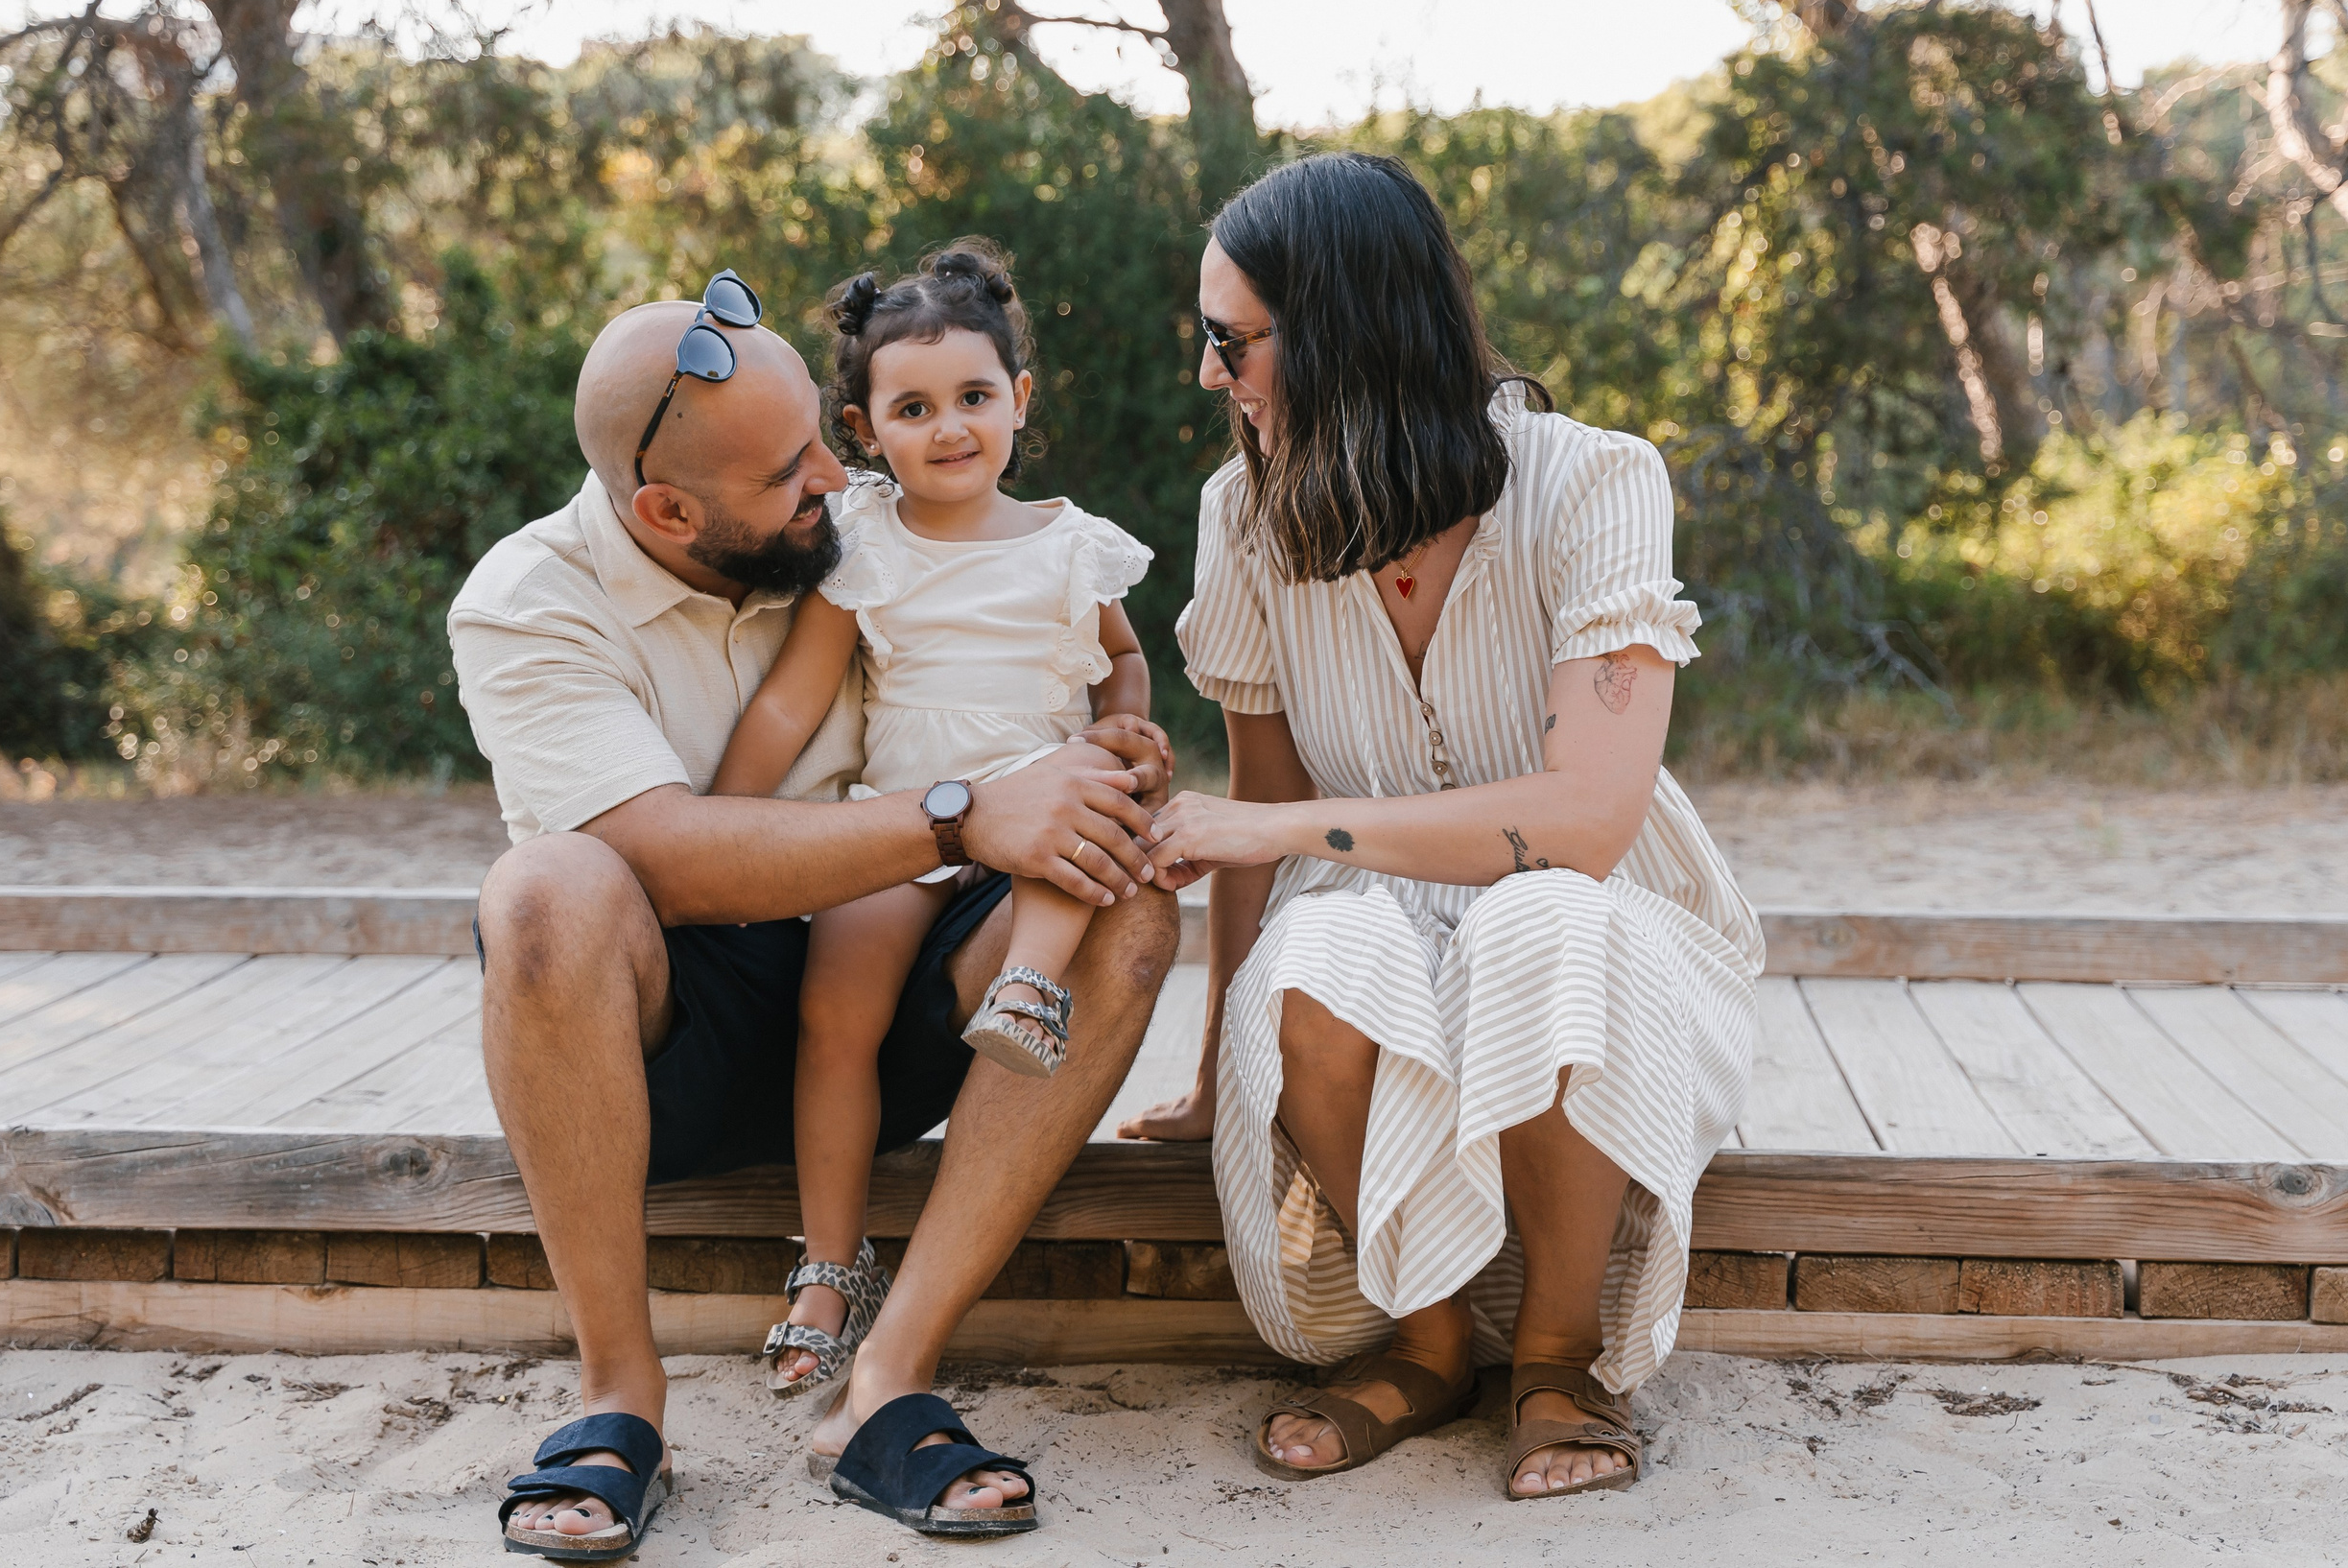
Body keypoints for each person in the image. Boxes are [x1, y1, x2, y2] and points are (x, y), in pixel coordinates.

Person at [449, 268, 1177, 1556]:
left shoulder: (861, 537)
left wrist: (1108, 754)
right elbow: (661, 858)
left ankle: (884, 1379)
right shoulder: (530, 600)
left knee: (1123, 900)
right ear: (670, 509)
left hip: (897, 991)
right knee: (543, 885)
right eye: (796, 471)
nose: (841, 483)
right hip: (680, 1032)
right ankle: (620, 1394)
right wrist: (964, 808)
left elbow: (1069, 661)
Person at [1127, 154, 1764, 1500]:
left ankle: (1555, 1354)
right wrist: (1205, 1067)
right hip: (1369, 930)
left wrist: (1285, 825)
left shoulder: (1595, 482)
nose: (1207, 371)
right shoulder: (1241, 518)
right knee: (1327, 950)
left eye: (1229, 338)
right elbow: (1260, 821)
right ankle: (1427, 1337)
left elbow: (1589, 820)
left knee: (1542, 921)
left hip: (1603, 934)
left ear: (1345, 327)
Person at [708, 242, 1165, 1404]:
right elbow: (796, 698)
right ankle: (826, 1265)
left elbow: (1121, 662)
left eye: (972, 397)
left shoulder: (1071, 540)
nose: (948, 427)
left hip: (1043, 799)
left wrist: (1123, 729)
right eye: (912, 408)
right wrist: (718, 822)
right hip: (906, 825)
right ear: (864, 430)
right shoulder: (867, 546)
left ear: (1019, 399)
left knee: (1086, 817)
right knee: (832, 1014)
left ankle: (1033, 986)